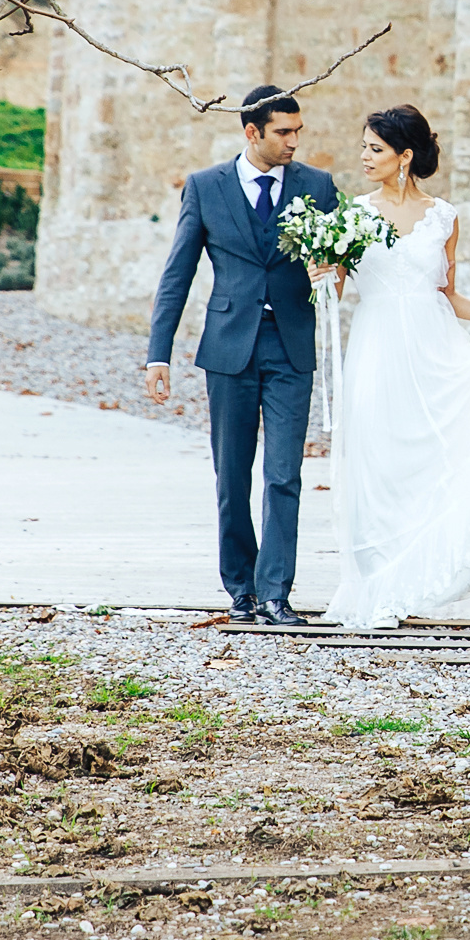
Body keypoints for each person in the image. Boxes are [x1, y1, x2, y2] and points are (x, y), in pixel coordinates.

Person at [324, 104, 470, 629]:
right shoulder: (353, 214)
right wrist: (321, 271)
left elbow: (447, 294)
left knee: (435, 459)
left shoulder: (443, 216)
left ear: (404, 156)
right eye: (363, 146)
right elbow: (335, 293)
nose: (364, 156)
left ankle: (426, 579)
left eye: (375, 149)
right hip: (377, 347)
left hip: (434, 349)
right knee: (377, 461)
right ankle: (378, 583)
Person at [144, 86, 339, 625]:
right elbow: (177, 275)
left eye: (298, 131)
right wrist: (158, 356)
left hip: (292, 348)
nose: (293, 142)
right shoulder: (206, 187)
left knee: (284, 473)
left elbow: (337, 268)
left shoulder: (318, 187)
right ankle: (241, 589)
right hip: (229, 347)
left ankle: (276, 591)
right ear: (252, 133)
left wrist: (332, 276)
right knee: (232, 473)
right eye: (283, 132)